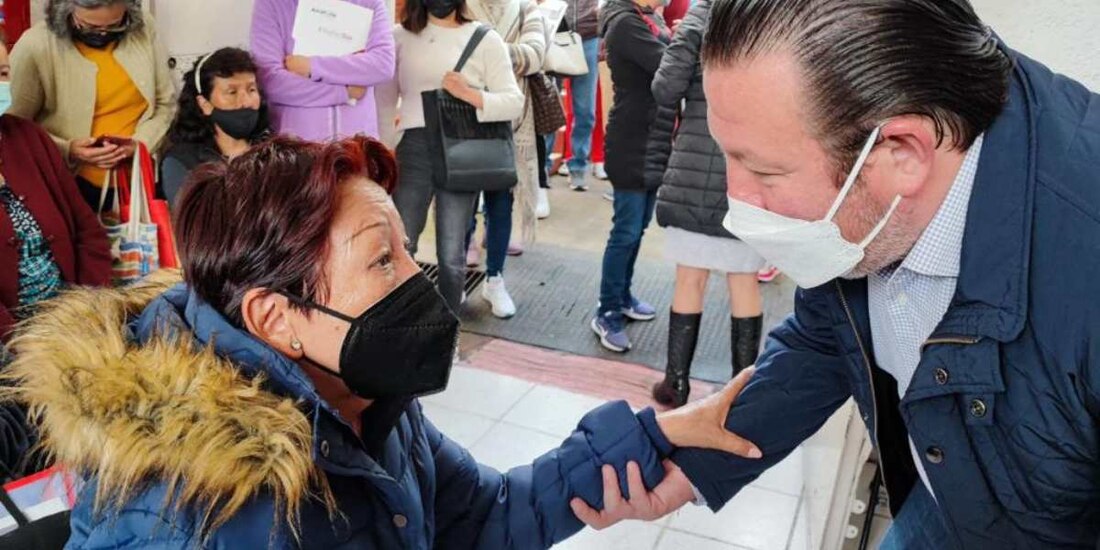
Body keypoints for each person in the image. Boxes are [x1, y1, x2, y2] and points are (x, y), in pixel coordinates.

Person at [1, 135, 759, 547]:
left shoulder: (358, 394)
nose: (419, 279)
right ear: (275, 317)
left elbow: (482, 514)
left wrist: (651, 441)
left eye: (408, 248)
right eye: (382, 259)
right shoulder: (199, 514)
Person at [574, 0, 1100, 547]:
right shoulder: (874, 197)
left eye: (765, 170)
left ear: (902, 152)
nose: (737, 200)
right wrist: (699, 465)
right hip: (944, 498)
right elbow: (827, 334)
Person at [0, 38, 111, 477]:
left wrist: (90, 306)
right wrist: (32, 343)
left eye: (5, 72)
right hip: (14, 343)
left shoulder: (26, 137)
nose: (3, 83)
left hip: (74, 317)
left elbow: (86, 229)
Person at [646, 0, 765, 407]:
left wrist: (693, 26)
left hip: (692, 173)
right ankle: (741, 391)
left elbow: (665, 89)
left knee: (689, 279)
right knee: (744, 281)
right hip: (747, 174)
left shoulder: (702, 16)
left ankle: (675, 385)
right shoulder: (772, 17)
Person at [377, 0, 524, 313]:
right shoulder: (399, 36)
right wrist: (384, 149)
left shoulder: (484, 38)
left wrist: (470, 95)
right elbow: (385, 102)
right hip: (413, 148)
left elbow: (514, 101)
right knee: (402, 244)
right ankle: (403, 322)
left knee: (451, 253)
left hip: (460, 152)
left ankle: (447, 332)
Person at [9, 0, 175, 211]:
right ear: (65, 9)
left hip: (140, 179)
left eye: (115, 24)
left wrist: (141, 144)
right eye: (91, 26)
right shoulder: (36, 45)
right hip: (68, 185)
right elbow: (12, 127)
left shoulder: (142, 26)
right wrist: (68, 150)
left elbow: (165, 103)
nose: (103, 34)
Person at [589, 0, 670, 352]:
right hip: (632, 142)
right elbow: (667, 65)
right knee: (625, 231)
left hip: (653, 138)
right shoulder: (625, 23)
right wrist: (678, 40)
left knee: (638, 228)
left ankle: (622, 296)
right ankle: (607, 310)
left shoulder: (643, 18)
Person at [464, 0, 546, 318]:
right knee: (462, 203)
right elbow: (449, 49)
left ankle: (494, 278)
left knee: (501, 205)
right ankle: (458, 271)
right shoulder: (463, 5)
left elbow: (536, 55)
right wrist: (507, 54)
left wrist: (484, 54)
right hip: (464, 121)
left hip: (511, 123)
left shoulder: (526, 8)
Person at [250, 0, 395, 142]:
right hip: (296, 150)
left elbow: (383, 64)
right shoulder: (270, 3)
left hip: (358, 148)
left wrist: (311, 66)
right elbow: (271, 82)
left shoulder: (370, 2)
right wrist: (343, 92)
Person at [160, 47, 271, 208]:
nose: (245, 102)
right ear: (204, 104)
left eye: (251, 90)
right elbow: (192, 223)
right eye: (232, 92)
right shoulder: (181, 161)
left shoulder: (275, 151)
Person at [544, 0, 600, 192]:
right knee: (548, 105)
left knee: (585, 109)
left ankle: (578, 165)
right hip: (554, 34)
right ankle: (543, 166)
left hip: (588, 37)